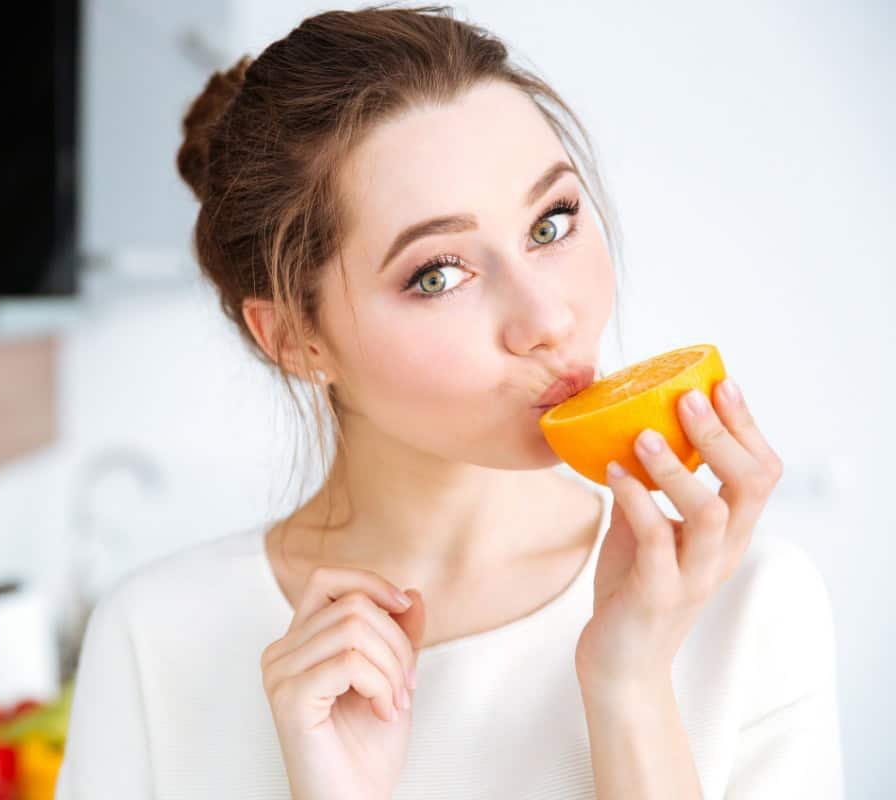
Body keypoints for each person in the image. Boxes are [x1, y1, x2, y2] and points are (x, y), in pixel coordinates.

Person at [54, 5, 844, 798]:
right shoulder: (155, 640)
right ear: (296, 338)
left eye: (552, 223)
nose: (547, 320)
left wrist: (631, 693)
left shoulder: (746, 605)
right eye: (438, 274)